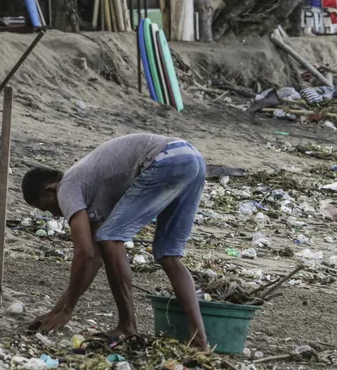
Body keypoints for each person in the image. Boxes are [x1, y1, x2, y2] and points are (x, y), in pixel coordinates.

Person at [21, 134, 209, 351]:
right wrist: (57, 310)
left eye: (46, 207)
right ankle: (199, 340)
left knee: (110, 239)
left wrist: (67, 311)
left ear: (50, 190)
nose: (54, 215)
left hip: (166, 159)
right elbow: (94, 260)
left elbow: (85, 254)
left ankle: (127, 326)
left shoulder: (67, 187)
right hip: (191, 157)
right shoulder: (90, 189)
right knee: (169, 255)